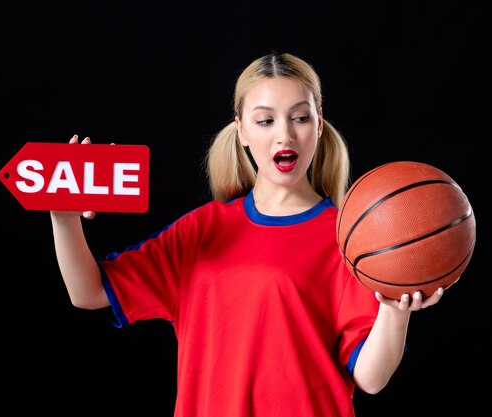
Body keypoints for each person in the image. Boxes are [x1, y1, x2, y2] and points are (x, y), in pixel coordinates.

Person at [49, 52, 444, 417]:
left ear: (319, 124)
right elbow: (87, 292)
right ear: (241, 130)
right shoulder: (203, 230)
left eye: (300, 117)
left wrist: (395, 311)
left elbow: (371, 378)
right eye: (265, 120)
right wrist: (64, 220)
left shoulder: (350, 239)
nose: (284, 135)